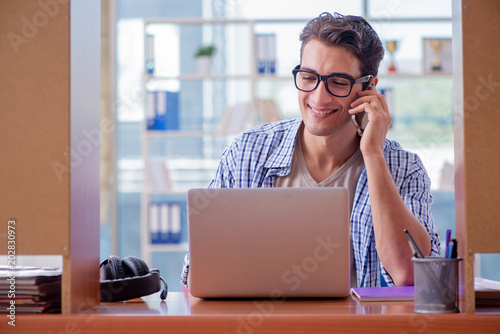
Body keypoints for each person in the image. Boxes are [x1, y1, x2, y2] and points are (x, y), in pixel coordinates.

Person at [181, 12, 440, 288]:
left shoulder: (404, 168)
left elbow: (409, 275)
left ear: (368, 89)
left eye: (338, 82)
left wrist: (374, 155)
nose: (319, 97)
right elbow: (199, 274)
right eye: (308, 77)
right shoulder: (248, 152)